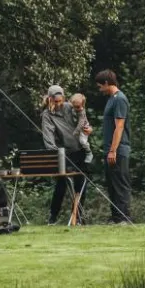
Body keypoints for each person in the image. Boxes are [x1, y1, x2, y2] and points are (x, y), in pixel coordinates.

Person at [40, 84, 89, 225]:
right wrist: (57, 154)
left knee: (80, 184)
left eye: (60, 100)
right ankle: (53, 217)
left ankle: (78, 217)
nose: (58, 103)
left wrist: (88, 129)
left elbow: (83, 119)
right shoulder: (47, 115)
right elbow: (48, 138)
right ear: (49, 99)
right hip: (62, 153)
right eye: (55, 101)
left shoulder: (70, 107)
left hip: (79, 150)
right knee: (61, 184)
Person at [95, 69, 132, 224]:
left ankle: (124, 218)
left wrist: (113, 150)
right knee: (112, 185)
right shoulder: (111, 99)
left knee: (120, 184)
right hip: (109, 150)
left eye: (100, 86)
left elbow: (120, 126)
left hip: (118, 150)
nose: (99, 90)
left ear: (106, 83)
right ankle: (116, 217)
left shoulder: (120, 99)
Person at [69, 93, 94, 164]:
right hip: (76, 126)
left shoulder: (82, 112)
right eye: (74, 106)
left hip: (83, 127)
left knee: (82, 141)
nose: (76, 109)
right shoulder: (72, 107)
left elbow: (81, 123)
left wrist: (76, 131)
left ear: (83, 105)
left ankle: (89, 153)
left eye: (78, 107)